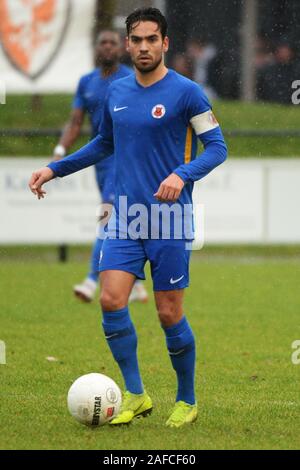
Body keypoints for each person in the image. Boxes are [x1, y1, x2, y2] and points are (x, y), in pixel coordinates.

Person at [29, 8, 227, 428]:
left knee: (168, 313)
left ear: (164, 44)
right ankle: (136, 395)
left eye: (150, 40)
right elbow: (102, 143)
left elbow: (217, 147)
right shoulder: (117, 92)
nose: (142, 47)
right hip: (125, 217)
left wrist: (181, 174)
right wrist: (54, 168)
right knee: (110, 300)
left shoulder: (188, 92)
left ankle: (187, 400)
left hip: (170, 220)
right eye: (135, 40)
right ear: (127, 44)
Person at [53, 30, 148, 303]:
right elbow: (75, 122)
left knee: (107, 215)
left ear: (122, 49)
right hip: (100, 161)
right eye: (102, 43)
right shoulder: (87, 82)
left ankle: (91, 281)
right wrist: (60, 151)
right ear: (96, 49)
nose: (107, 47)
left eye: (112, 43)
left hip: (125, 158)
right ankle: (132, 279)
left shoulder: (131, 79)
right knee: (123, 219)